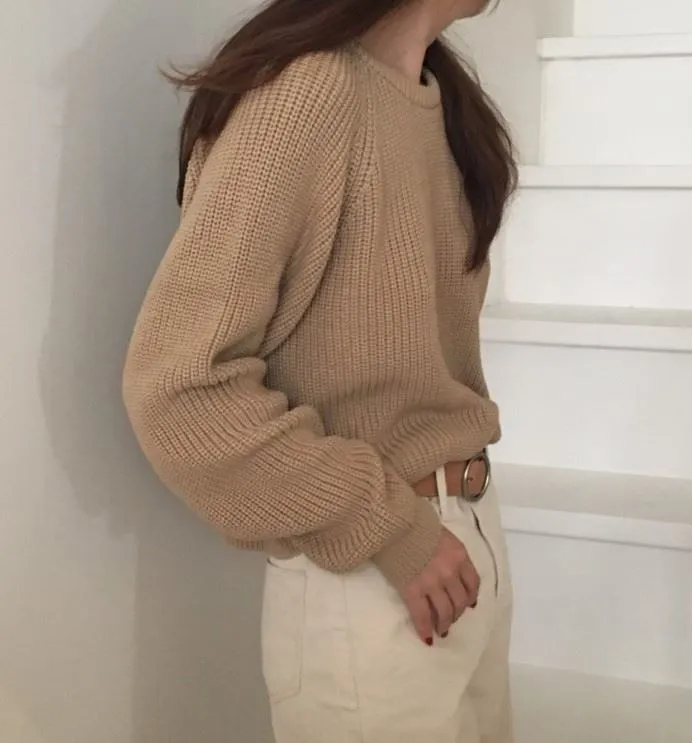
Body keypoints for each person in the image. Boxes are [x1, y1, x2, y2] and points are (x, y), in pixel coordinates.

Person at [123, 0, 518, 740]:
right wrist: (387, 527)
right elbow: (178, 389)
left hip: (466, 537)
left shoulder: (443, 100)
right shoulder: (307, 95)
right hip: (374, 578)